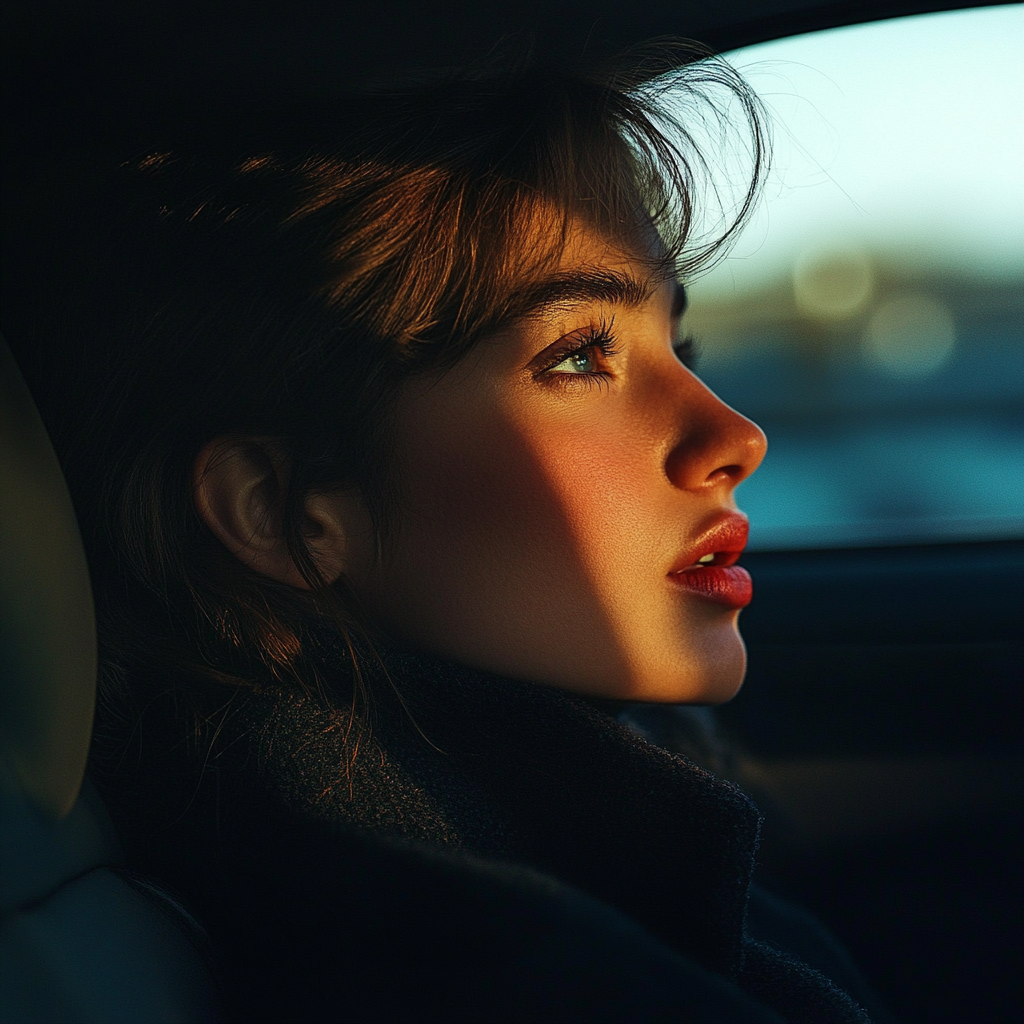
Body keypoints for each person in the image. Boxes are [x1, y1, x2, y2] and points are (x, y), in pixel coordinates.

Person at [2, 45, 888, 1023]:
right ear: (282, 511)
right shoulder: (473, 957)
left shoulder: (555, 826)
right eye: (582, 353)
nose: (736, 437)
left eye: (679, 347)